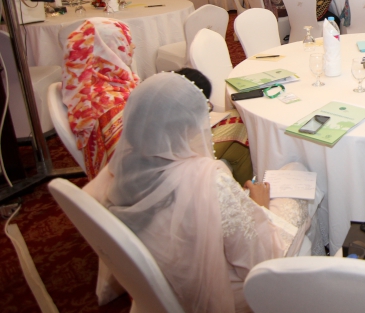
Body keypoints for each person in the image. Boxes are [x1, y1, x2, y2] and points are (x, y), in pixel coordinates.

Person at [82, 72, 298, 312]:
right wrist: (260, 208)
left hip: (162, 281)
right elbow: (257, 259)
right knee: (297, 177)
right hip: (215, 290)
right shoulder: (207, 179)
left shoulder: (120, 166)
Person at [61, 18, 139, 179]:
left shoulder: (89, 87)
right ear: (109, 49)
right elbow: (128, 161)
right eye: (126, 41)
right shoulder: (110, 104)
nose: (133, 46)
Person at [175, 68, 253, 186]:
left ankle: (248, 186)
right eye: (206, 107)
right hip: (183, 158)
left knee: (238, 148)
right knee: (240, 122)